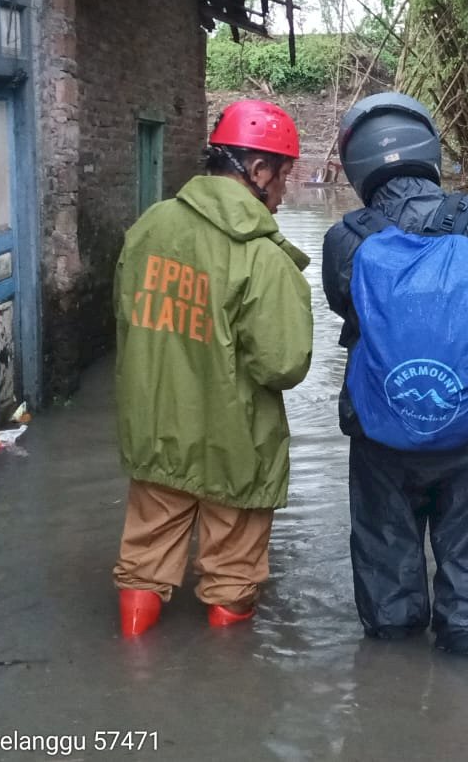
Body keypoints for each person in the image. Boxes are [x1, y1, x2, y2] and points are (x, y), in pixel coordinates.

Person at [322, 92, 468, 655]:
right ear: (429, 149)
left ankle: (387, 671)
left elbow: (345, 306)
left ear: (357, 164)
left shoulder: (347, 238)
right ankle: (465, 668)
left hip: (381, 429)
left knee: (384, 558)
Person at [112, 100, 314, 637]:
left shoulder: (150, 227)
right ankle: (227, 678)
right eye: (284, 176)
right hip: (237, 444)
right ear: (259, 170)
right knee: (232, 577)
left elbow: (127, 321)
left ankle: (133, 661)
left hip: (157, 430)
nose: (284, 191)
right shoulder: (264, 258)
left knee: (143, 562)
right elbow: (283, 365)